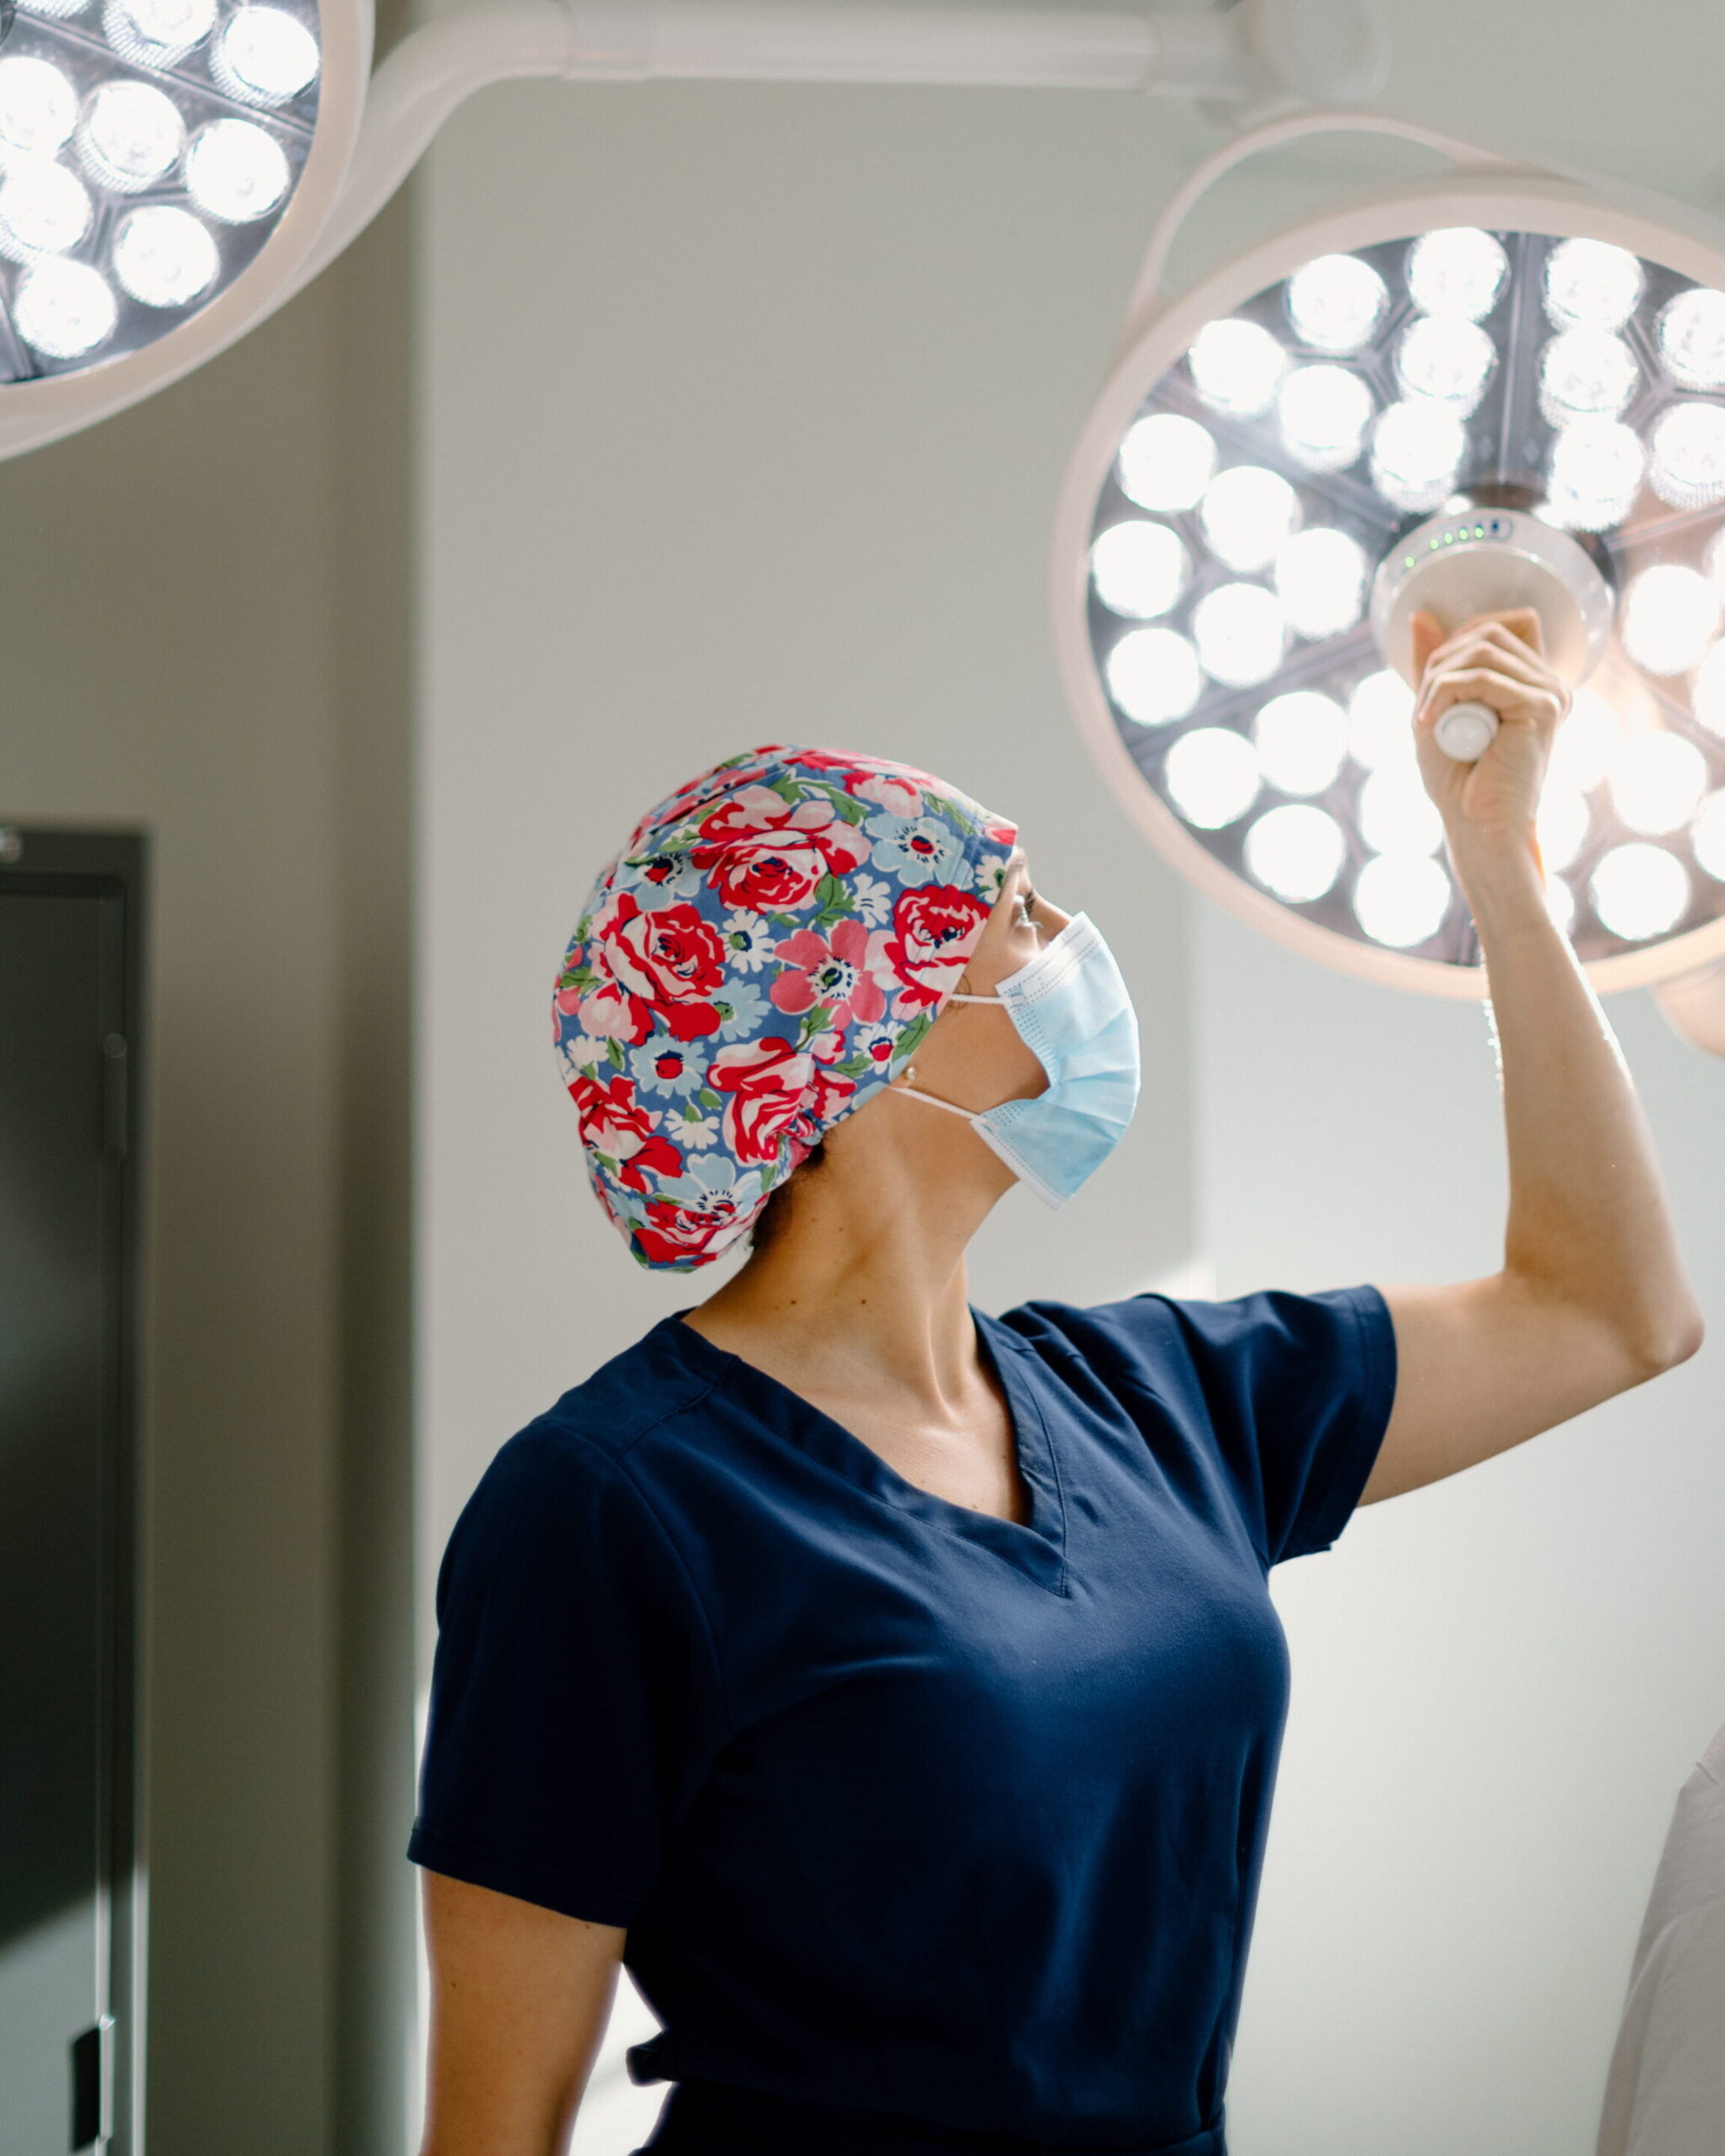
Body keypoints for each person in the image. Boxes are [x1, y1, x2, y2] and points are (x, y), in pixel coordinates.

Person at [410, 609, 1703, 2156]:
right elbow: (492, 2130)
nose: (1070, 943)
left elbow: (1612, 1311)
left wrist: (1503, 869)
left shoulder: (1158, 1396)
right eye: (1015, 913)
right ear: (861, 1031)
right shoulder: (612, 1510)